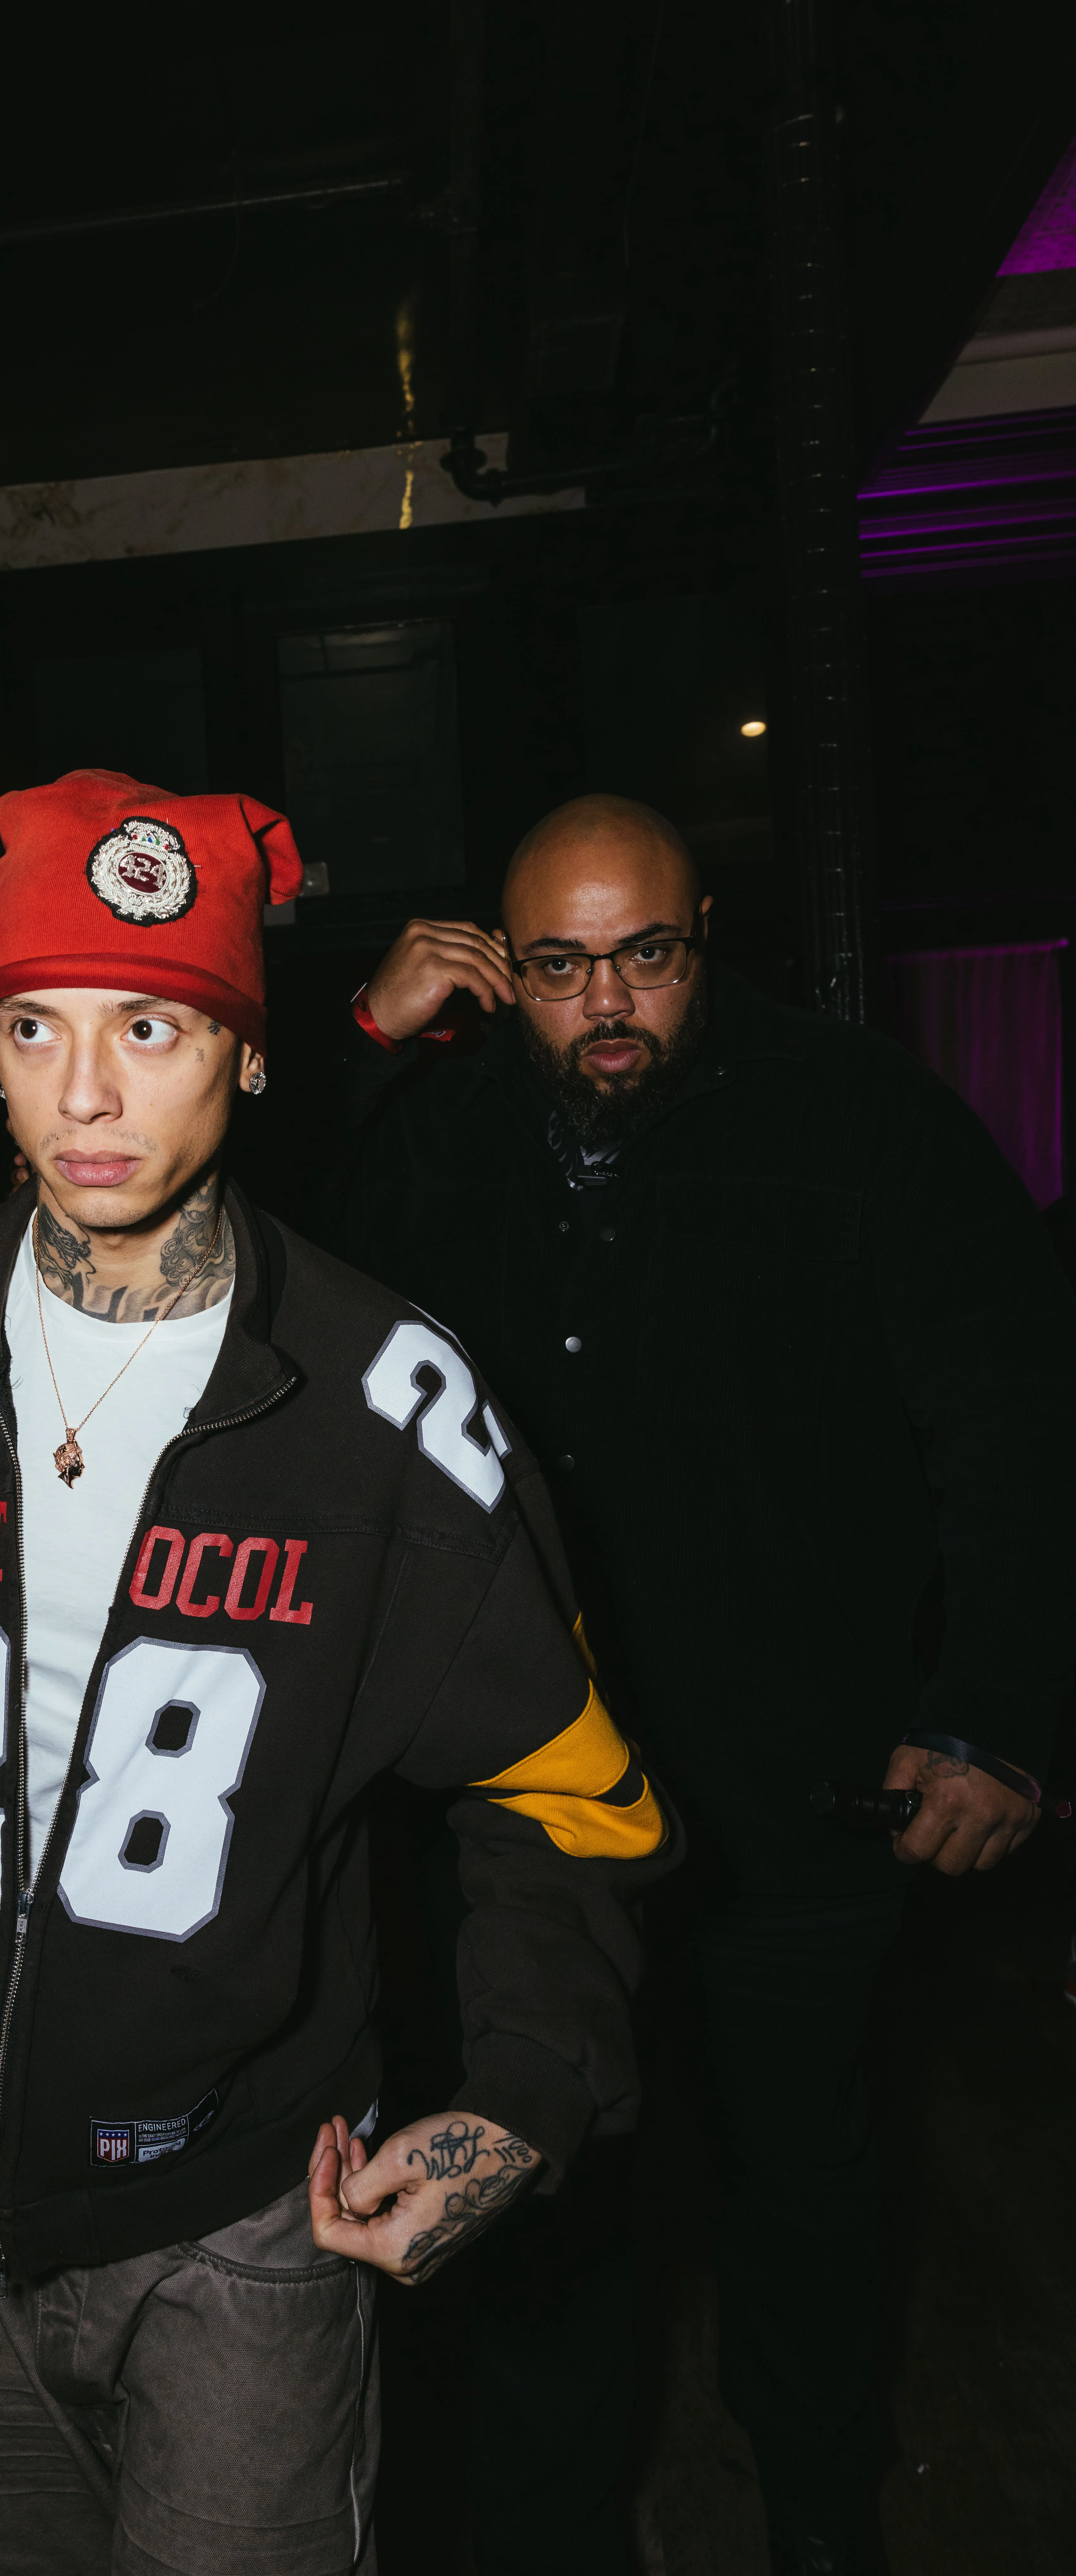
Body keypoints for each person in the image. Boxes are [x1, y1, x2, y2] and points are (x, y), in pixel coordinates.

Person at [0, 768, 678, 2576]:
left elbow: (573, 1798)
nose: (83, 1094)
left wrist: (522, 2093)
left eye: (151, 1026)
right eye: (33, 1029)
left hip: (248, 2220)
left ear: (246, 1054)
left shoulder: (385, 1404)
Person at [327, 795, 1076, 2576]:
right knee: (534, 2212)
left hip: (786, 1792)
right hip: (514, 1819)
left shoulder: (857, 1116)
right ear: (497, 971)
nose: (607, 1003)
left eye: (644, 956)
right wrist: (357, 1042)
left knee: (802, 2202)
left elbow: (1015, 1419)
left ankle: (822, 2531)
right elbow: (250, 1299)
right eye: (561, 964)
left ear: (701, 939)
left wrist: (991, 1715)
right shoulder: (428, 1132)